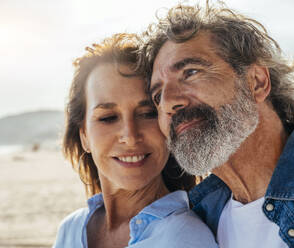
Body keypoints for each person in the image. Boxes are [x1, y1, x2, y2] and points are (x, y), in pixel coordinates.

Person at [142, 2, 294, 247]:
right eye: (157, 96)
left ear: (257, 83)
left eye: (190, 72)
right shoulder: (194, 219)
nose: (168, 103)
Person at [53, 33, 218, 248]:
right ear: (84, 136)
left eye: (147, 113)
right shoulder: (71, 229)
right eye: (108, 118)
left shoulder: (184, 237)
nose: (130, 136)